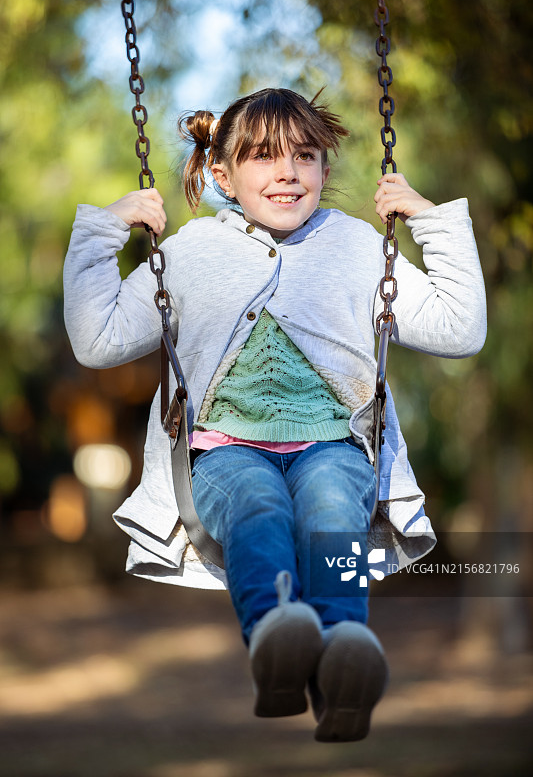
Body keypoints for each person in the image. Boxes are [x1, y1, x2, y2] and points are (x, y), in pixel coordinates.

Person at [63, 87, 486, 742]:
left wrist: (428, 218)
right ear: (221, 175)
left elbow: (459, 330)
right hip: (224, 449)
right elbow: (99, 340)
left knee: (329, 509)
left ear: (323, 168)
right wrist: (105, 227)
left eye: (305, 154)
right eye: (262, 157)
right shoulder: (191, 252)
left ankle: (343, 657)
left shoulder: (354, 247)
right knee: (259, 508)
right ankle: (275, 643)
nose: (286, 170)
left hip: (335, 445)